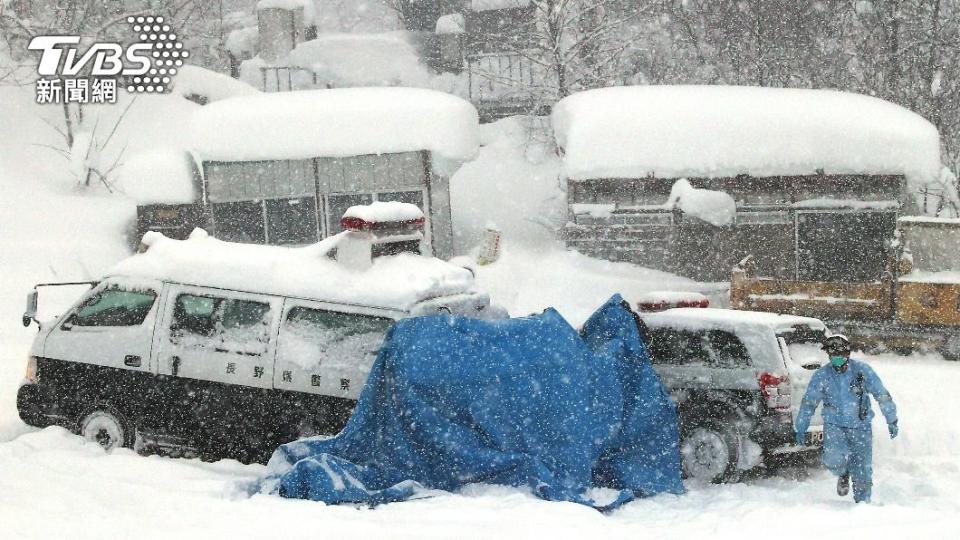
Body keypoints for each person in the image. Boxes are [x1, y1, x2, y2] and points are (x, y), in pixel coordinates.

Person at [794, 334, 898, 503]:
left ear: (847, 354)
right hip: (834, 426)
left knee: (862, 469)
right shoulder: (822, 376)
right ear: (829, 356)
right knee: (832, 459)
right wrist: (801, 426)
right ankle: (843, 472)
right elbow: (809, 402)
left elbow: (882, 394)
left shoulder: (862, 371)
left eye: (840, 356)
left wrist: (891, 419)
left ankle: (862, 503)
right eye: (833, 356)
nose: (837, 359)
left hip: (861, 426)